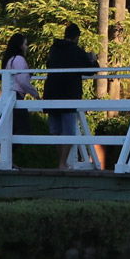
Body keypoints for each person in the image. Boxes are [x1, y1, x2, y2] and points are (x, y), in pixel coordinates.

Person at [44, 22, 99, 170]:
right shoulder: (76, 51)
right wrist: (93, 59)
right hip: (68, 93)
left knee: (56, 131)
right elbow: (90, 70)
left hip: (51, 92)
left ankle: (62, 161)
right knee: (69, 131)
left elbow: (49, 64)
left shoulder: (54, 49)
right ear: (76, 37)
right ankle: (63, 163)